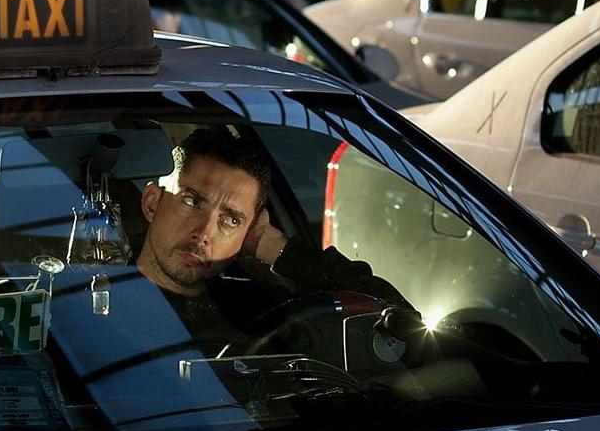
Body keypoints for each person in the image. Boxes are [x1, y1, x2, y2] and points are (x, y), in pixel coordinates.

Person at [135, 124, 409, 356]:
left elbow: (402, 327)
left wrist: (278, 248)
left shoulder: (254, 307)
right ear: (152, 203)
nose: (205, 232)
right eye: (192, 201)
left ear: (246, 235)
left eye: (231, 220)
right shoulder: (109, 298)